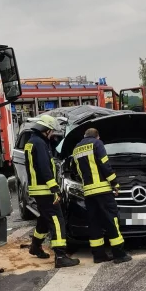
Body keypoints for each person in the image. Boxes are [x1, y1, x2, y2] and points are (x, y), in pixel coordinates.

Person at [24, 114, 80, 268]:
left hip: (38, 189)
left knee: (44, 218)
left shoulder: (32, 141)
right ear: (46, 130)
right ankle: (60, 256)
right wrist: (54, 187)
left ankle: (35, 246)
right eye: (52, 131)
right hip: (45, 189)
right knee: (57, 220)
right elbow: (44, 168)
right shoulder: (40, 144)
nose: (53, 134)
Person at [72, 128, 132, 264]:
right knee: (111, 220)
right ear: (97, 136)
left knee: (94, 223)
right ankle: (119, 254)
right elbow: (105, 165)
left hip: (88, 191)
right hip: (102, 190)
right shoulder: (97, 144)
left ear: (85, 136)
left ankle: (98, 255)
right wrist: (115, 183)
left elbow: (75, 170)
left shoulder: (76, 149)